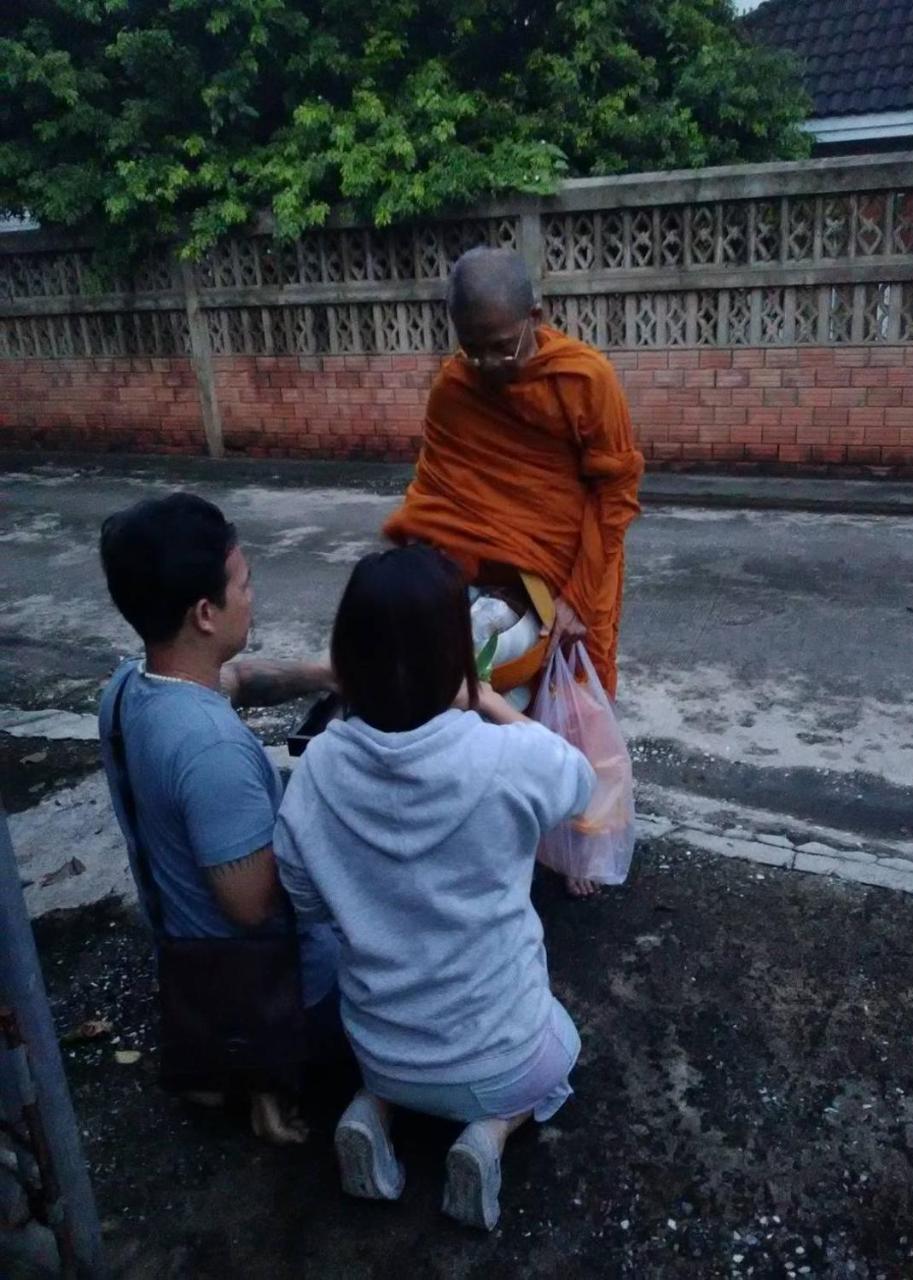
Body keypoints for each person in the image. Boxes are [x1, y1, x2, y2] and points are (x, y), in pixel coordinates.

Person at [273, 545, 596, 1230]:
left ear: (347, 656)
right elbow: (579, 779)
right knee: (562, 1044)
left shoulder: (322, 764)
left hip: (378, 1049)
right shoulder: (503, 757)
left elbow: (304, 901)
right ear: (457, 652)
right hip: (498, 1058)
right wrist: (484, 701)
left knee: (400, 1048)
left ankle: (371, 1110)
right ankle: (488, 1137)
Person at [382, 246, 643, 895]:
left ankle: (580, 842)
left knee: (578, 701)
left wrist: (580, 595)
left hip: (573, 560)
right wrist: (420, 558)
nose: (490, 366)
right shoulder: (455, 386)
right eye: (474, 349)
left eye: (503, 346)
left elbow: (614, 494)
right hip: (485, 570)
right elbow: (440, 481)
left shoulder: (586, 379)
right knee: (480, 700)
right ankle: (502, 830)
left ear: (537, 315)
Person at [98, 492, 342, 1144]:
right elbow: (253, 908)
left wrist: (328, 673)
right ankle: (261, 1072)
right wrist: (335, 797)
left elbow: (241, 680)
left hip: (186, 965)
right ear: (206, 613)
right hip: (273, 997)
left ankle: (228, 1060)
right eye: (244, 583)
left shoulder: (129, 689)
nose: (253, 594)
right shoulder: (212, 753)